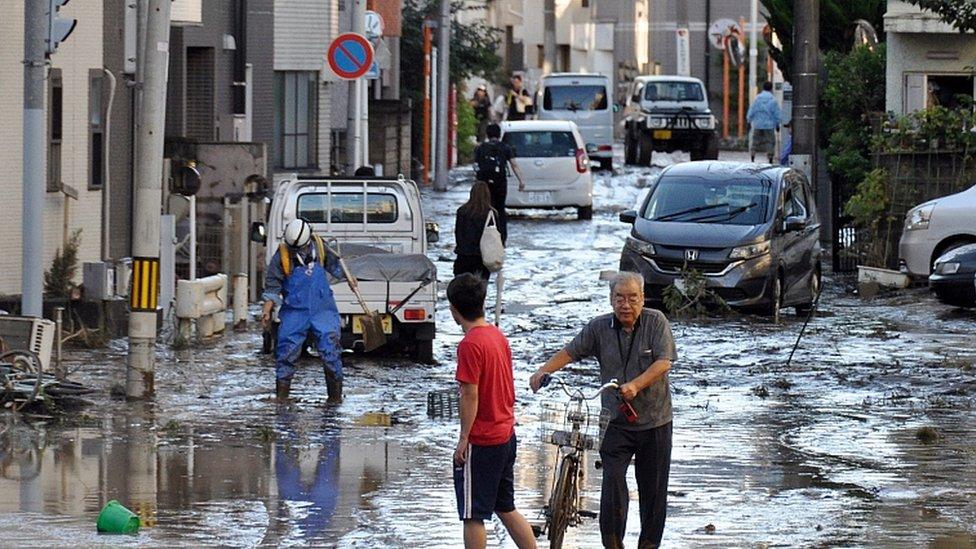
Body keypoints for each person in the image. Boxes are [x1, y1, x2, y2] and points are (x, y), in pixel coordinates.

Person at [529, 272, 678, 549]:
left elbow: (663, 362)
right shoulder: (599, 328)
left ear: (642, 299)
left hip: (655, 420)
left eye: (632, 298)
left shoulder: (656, 322)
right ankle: (612, 543)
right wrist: (543, 371)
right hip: (614, 420)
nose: (626, 304)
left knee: (653, 492)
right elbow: (571, 351)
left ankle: (648, 545)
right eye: (619, 298)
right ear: (611, 300)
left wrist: (635, 384)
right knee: (612, 481)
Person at [449, 273, 537, 549]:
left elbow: (470, 394)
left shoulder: (470, 345)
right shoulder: (497, 336)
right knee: (505, 507)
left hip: (483, 440)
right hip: (506, 435)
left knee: (472, 515)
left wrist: (464, 439)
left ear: (453, 309)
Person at [262, 218, 352, 404]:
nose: (297, 252)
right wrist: (267, 308)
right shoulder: (282, 257)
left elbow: (337, 267)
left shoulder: (320, 247)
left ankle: (334, 399)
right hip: (295, 312)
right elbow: (272, 285)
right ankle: (282, 397)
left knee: (330, 351)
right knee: (286, 351)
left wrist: (350, 278)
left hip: (323, 310)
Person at [473, 123, 525, 244]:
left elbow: (475, 166)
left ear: (487, 134)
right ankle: (501, 238)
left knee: (483, 209)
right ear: (499, 134)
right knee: (500, 209)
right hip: (500, 183)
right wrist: (521, 181)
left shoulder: (480, 148)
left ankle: (483, 237)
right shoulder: (505, 148)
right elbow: (514, 165)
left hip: (483, 184)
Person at [454, 181, 495, 280]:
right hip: (482, 259)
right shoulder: (491, 214)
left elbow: (458, 234)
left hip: (463, 257)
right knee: (479, 291)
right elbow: (496, 236)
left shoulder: (462, 211)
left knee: (462, 290)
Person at [746, 81, 782, 164]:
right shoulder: (773, 100)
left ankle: (752, 156)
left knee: (755, 141)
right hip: (769, 125)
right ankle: (770, 157)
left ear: (763, 87)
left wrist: (749, 120)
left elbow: (752, 110)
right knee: (770, 142)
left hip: (758, 124)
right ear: (771, 88)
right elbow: (776, 113)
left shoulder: (757, 99)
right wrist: (777, 124)